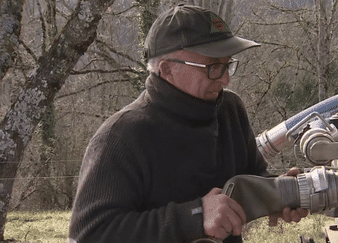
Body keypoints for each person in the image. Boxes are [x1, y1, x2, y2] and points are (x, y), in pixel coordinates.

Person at [68, 4, 308, 243]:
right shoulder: (120, 137)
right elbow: (89, 234)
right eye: (213, 67)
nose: (225, 80)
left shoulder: (230, 110)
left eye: (227, 65)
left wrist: (277, 194)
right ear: (167, 69)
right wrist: (194, 217)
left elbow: (250, 180)